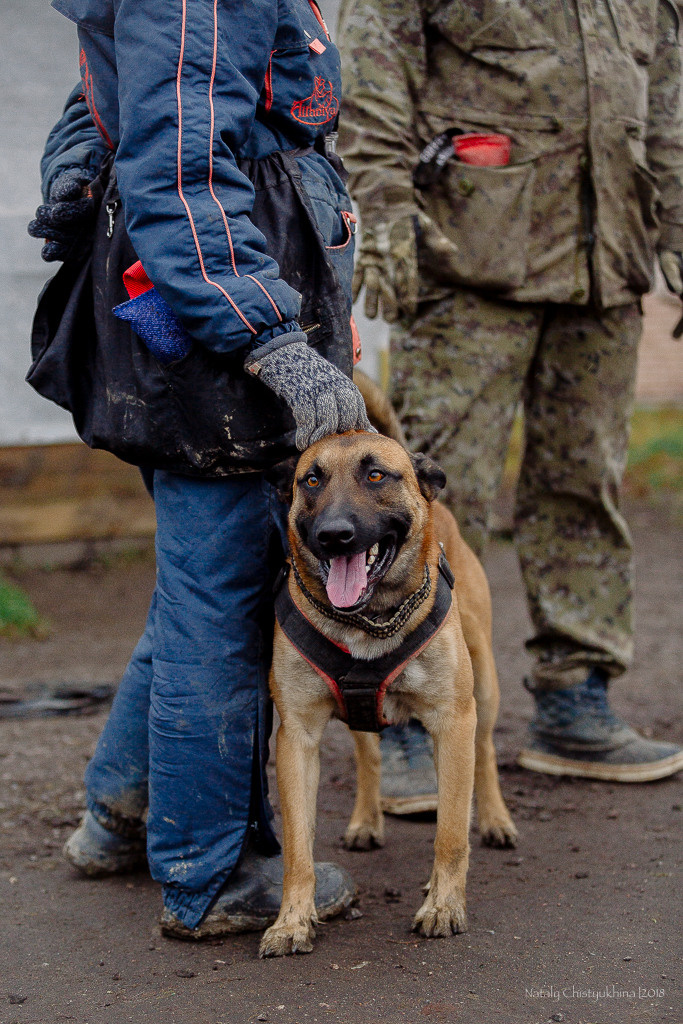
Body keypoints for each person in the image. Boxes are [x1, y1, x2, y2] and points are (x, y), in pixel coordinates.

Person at [28, 0, 372, 939]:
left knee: (197, 584)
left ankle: (124, 813)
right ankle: (210, 873)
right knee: (220, 602)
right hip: (214, 329)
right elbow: (180, 171)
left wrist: (73, 170)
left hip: (201, 305)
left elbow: (128, 96)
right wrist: (272, 340)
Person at [337, 0, 683, 796]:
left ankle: (575, 701)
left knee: (583, 484)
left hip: (604, 269)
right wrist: (384, 215)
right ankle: (399, 718)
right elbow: (370, 79)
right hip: (468, 267)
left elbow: (664, 110)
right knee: (425, 496)